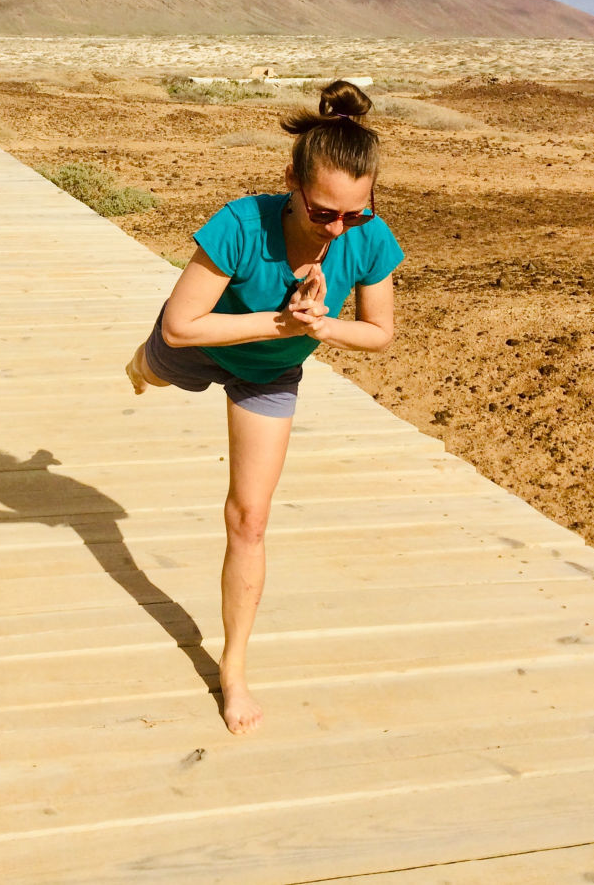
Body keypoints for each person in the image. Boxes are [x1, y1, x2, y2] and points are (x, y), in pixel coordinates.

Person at [126, 79, 403, 735]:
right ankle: (136, 369)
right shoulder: (241, 224)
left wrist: (320, 328)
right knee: (153, 364)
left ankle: (234, 668)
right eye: (323, 213)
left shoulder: (369, 239)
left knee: (248, 518)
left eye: (354, 215)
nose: (338, 227)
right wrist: (282, 320)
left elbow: (380, 332)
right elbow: (182, 327)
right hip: (202, 344)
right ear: (291, 183)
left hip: (271, 372)